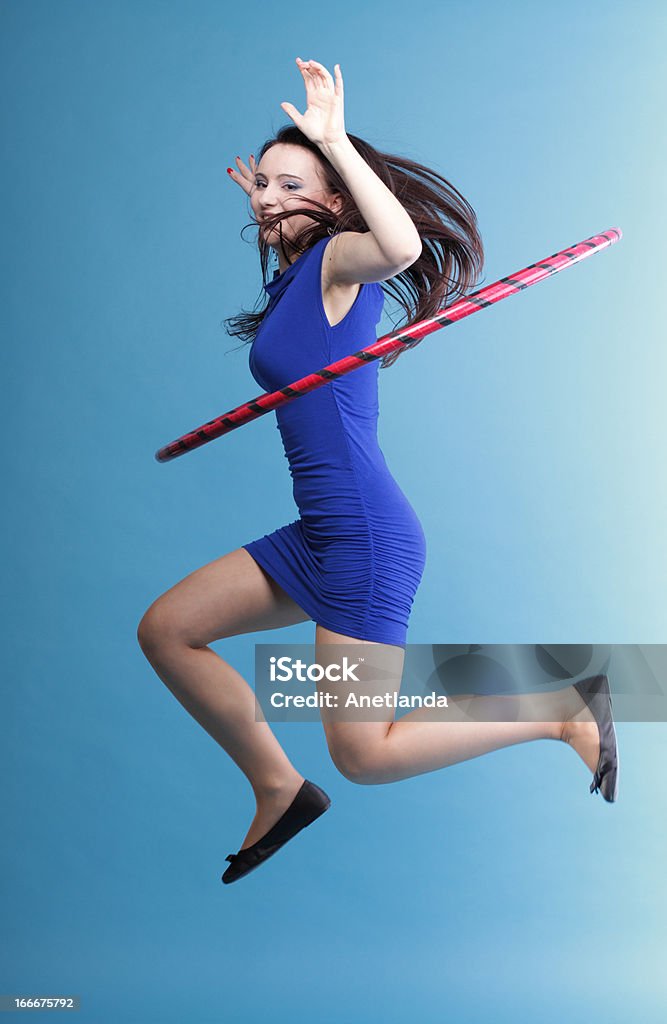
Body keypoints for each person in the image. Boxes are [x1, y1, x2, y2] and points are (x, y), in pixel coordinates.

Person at [137, 57, 618, 885]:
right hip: (318, 530)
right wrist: (282, 193)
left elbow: (398, 245)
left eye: (292, 185)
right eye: (260, 185)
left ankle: (556, 707)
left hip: (358, 531)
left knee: (363, 754)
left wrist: (331, 144)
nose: (265, 197)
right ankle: (278, 789)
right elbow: (294, 254)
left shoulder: (339, 262)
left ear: (333, 202)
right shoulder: (298, 275)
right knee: (168, 630)